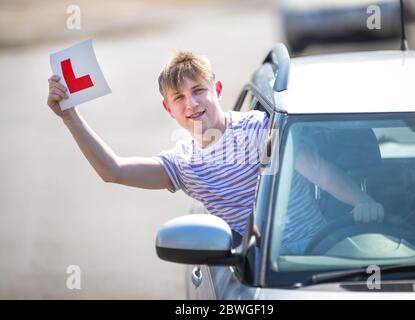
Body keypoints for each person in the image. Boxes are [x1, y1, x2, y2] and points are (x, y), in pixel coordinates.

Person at [47, 51, 383, 250]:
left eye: (198, 90)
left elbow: (319, 171)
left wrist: (363, 201)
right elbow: (114, 171)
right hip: (252, 270)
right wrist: (69, 117)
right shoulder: (183, 164)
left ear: (217, 89)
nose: (191, 103)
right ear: (169, 110)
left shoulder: (256, 128)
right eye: (178, 98)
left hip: (319, 249)